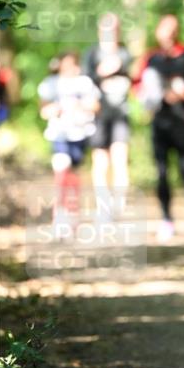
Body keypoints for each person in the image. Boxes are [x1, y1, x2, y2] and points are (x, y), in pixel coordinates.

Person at [133, 15, 184, 241]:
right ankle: (166, 218)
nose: (167, 34)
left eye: (172, 29)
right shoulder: (150, 58)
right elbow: (137, 84)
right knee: (161, 171)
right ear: (158, 32)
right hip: (159, 121)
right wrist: (147, 98)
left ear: (177, 31)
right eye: (164, 29)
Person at [37, 51, 101, 238]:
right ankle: (59, 214)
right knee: (61, 170)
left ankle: (73, 214)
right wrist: (54, 109)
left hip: (80, 134)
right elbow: (43, 109)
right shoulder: (50, 83)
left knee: (73, 175)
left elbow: (96, 106)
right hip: (59, 134)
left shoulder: (85, 83)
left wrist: (80, 106)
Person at [82, 12, 132, 214]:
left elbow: (134, 78)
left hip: (120, 114)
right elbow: (84, 82)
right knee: (101, 161)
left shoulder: (125, 54)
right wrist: (101, 72)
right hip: (99, 116)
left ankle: (119, 204)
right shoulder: (92, 54)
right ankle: (103, 205)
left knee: (120, 159)